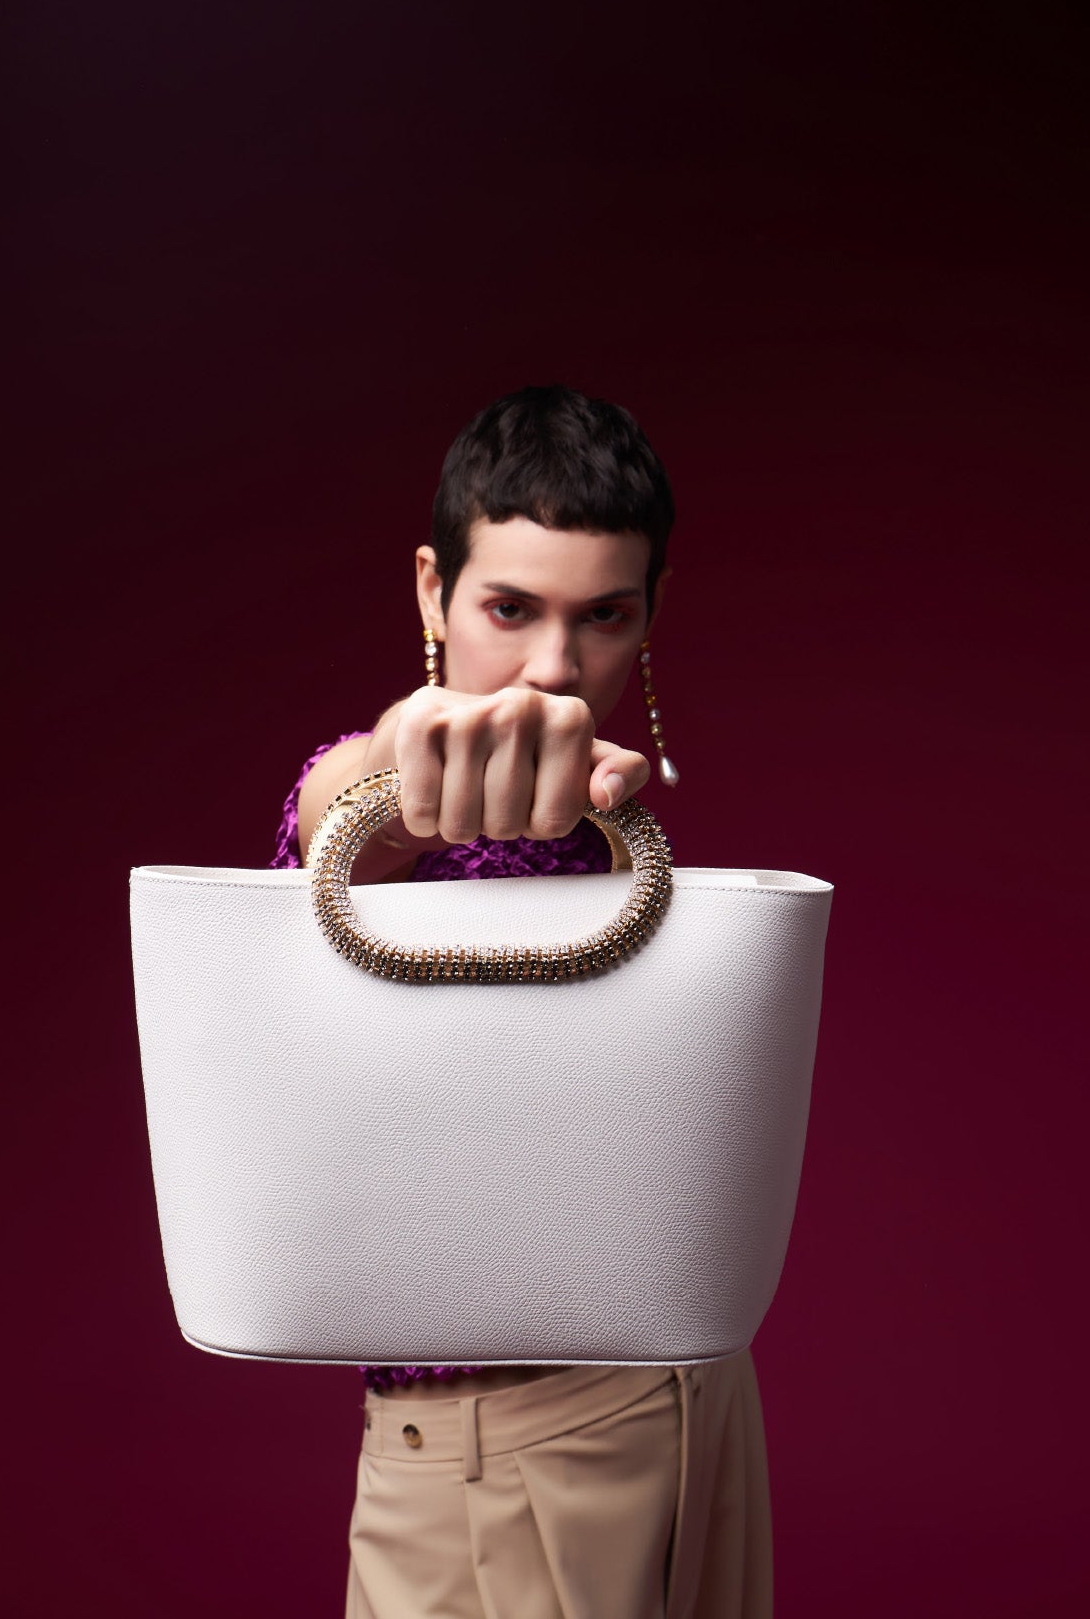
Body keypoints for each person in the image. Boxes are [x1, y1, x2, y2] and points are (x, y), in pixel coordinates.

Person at [269, 385, 773, 1618]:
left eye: (604, 616)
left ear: (650, 610)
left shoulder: (608, 810)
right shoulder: (400, 800)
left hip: (696, 1399)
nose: (554, 666)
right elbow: (335, 824)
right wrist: (392, 772)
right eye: (510, 608)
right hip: (495, 1443)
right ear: (432, 590)